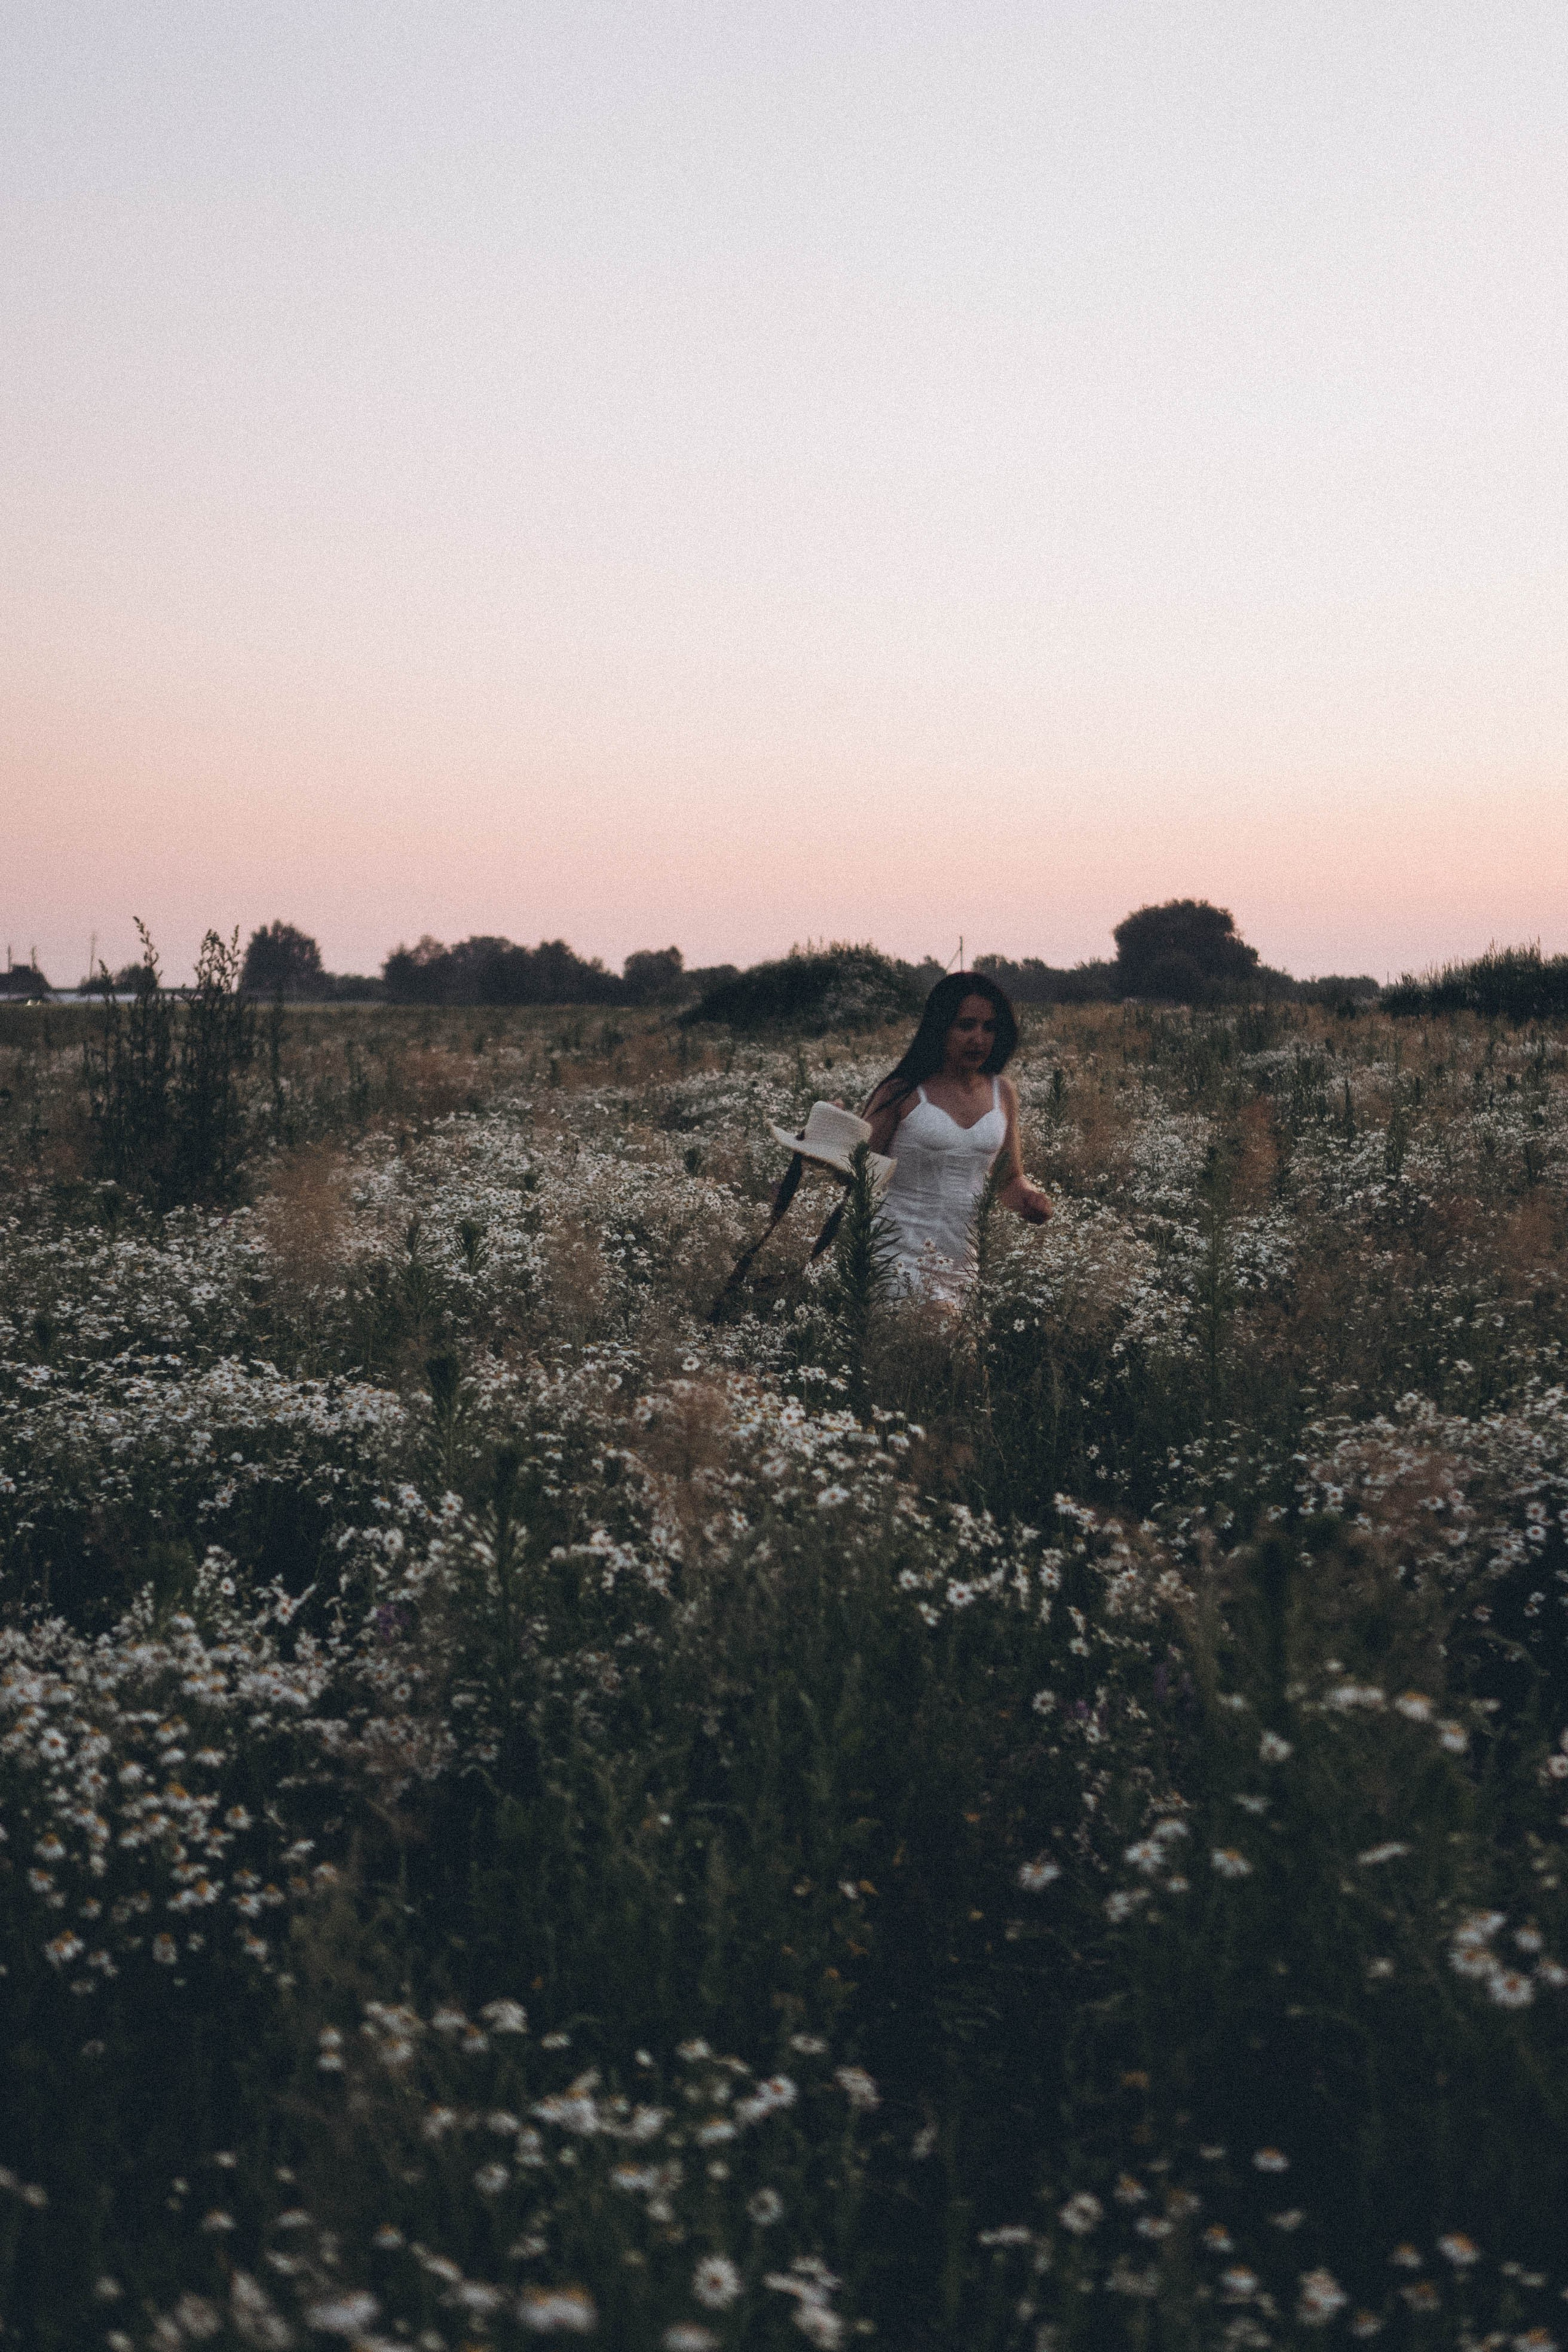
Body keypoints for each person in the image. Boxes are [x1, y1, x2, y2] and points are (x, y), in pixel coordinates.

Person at [862, 972, 1050, 1298]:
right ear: (941, 1027)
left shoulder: (1002, 1092)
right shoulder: (902, 1091)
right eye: (966, 1025)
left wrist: (1032, 1202)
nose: (978, 1039)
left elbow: (1008, 1180)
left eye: (989, 1028)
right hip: (895, 1259)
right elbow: (857, 1170)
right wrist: (832, 1128)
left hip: (962, 1265)